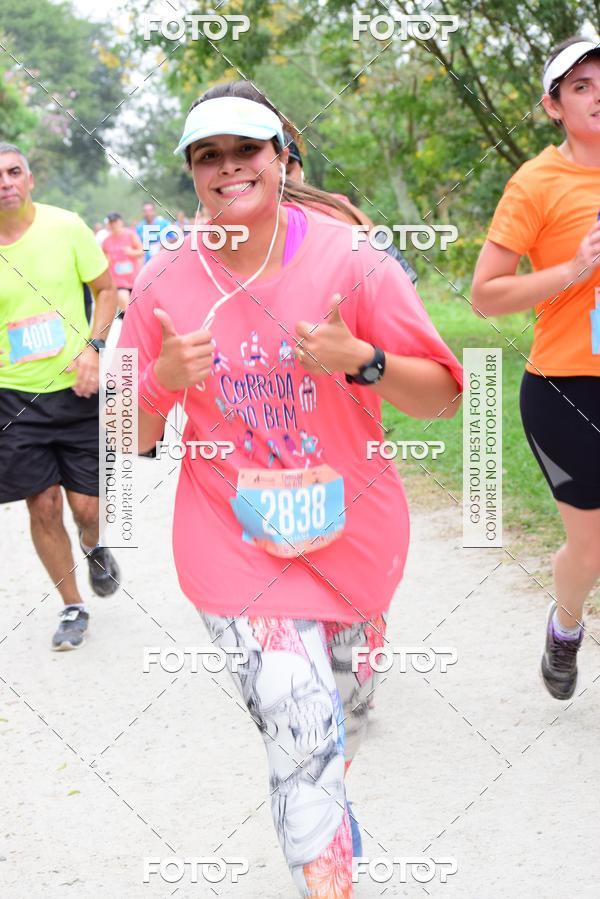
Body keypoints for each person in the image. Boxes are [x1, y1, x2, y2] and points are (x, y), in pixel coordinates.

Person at [118, 83, 462, 896]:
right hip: (233, 546)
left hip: (354, 539)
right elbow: (126, 439)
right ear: (192, 173)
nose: (230, 168)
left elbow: (443, 396)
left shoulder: (354, 261)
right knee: (299, 726)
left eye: (248, 150)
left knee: (326, 735)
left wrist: (362, 361)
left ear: (282, 159)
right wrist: (161, 383)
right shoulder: (166, 279)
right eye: (210, 155)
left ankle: (332, 810)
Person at [471, 36, 600, 700]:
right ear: (553, 106)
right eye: (580, 85)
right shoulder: (537, 181)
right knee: (591, 550)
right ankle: (567, 625)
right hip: (567, 388)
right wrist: (573, 269)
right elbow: (485, 293)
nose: (597, 92)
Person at [0, 143, 122, 651]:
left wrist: (94, 349)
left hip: (77, 388)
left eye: (13, 172)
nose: (5, 183)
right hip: (13, 395)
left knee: (87, 508)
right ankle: (73, 604)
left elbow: (109, 290)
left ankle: (94, 548)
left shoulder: (66, 226)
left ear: (29, 179)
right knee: (43, 504)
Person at [282, 129, 418, 285]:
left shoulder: (336, 208)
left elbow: (404, 276)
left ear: (302, 173)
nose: (283, 185)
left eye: (288, 172)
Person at [101, 212, 144, 317]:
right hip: (118, 281)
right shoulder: (106, 242)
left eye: (115, 222)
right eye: (111, 223)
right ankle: (127, 320)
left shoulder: (130, 235)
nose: (113, 225)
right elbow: (104, 260)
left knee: (136, 307)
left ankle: (130, 321)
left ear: (120, 222)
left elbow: (142, 251)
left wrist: (132, 253)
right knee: (124, 302)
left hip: (133, 279)